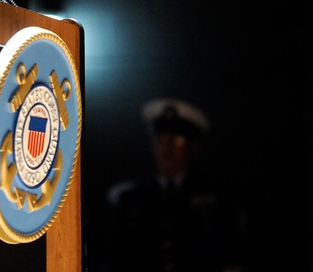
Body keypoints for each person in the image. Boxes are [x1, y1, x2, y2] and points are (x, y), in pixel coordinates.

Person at [99, 97, 249, 272]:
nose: (166, 148)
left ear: (193, 147)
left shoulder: (217, 197)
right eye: (161, 139)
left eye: (176, 140)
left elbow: (231, 259)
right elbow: (115, 258)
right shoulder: (130, 198)